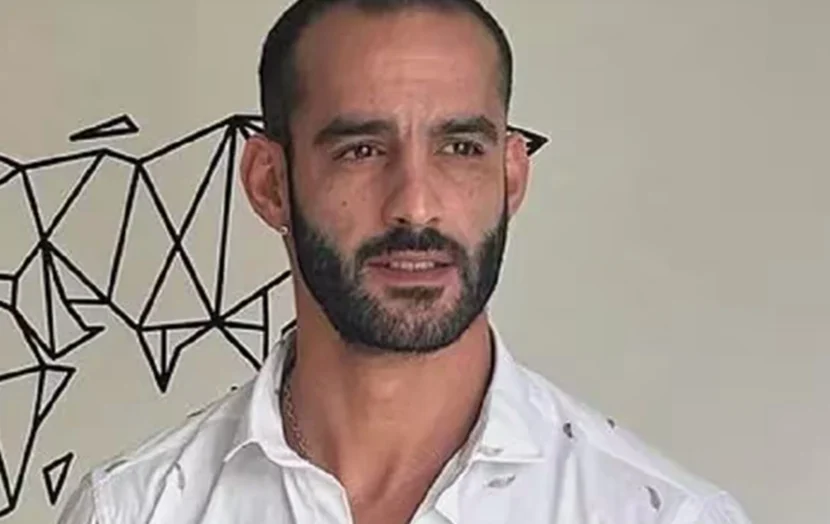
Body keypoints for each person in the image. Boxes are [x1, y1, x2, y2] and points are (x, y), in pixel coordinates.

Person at [58, 0, 753, 522]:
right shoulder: (132, 510)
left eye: (460, 149)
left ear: (512, 176)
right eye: (361, 150)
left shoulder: (664, 515)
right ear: (270, 184)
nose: (416, 206)